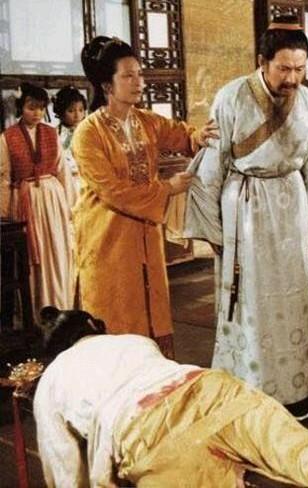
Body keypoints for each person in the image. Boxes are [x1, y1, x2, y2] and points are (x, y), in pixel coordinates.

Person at [33, 307, 308, 488]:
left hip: (152, 432)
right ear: (94, 329)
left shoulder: (52, 381)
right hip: (213, 389)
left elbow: (65, 473)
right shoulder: (129, 340)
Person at [184, 17, 308, 419]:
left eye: (300, 69)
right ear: (262, 61)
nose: (293, 78)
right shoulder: (231, 97)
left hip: (290, 205)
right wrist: (213, 230)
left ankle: (294, 388)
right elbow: (212, 165)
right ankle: (247, 388)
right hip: (246, 208)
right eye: (284, 68)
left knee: (292, 297)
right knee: (249, 300)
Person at [71, 36, 217, 359]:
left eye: (139, 74)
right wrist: (168, 188)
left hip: (146, 236)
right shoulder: (88, 133)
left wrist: (199, 136)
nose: (139, 82)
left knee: (152, 312)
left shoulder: (146, 121)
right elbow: (113, 192)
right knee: (116, 315)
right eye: (128, 76)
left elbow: (181, 134)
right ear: (106, 85)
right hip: (107, 239)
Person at [0, 82, 77, 320]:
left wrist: (71, 207)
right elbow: (4, 176)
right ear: (21, 108)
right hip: (25, 200)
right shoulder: (7, 137)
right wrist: (4, 214)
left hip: (53, 199)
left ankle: (61, 310)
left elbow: (62, 171)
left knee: (57, 252)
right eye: (31, 107)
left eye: (41, 108)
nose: (36, 113)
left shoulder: (51, 133)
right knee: (34, 260)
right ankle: (36, 316)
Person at [53, 86, 88, 191]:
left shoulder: (89, 132)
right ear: (61, 112)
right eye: (71, 111)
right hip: (64, 180)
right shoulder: (54, 134)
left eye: (81, 110)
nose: (77, 115)